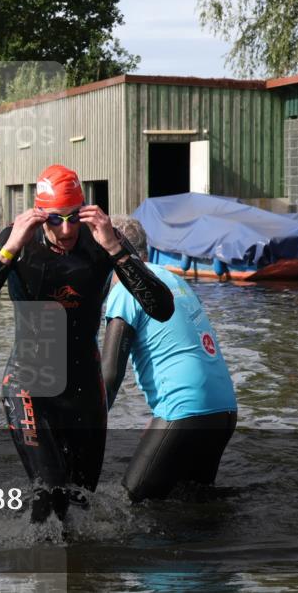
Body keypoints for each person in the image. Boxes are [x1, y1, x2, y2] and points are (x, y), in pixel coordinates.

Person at [0, 164, 174, 523]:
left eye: (74, 217)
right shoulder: (16, 240)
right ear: (40, 215)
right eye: (56, 220)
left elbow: (162, 308)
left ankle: (83, 577)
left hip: (84, 387)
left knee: (81, 502)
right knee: (50, 491)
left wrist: (115, 249)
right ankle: (40, 570)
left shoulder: (103, 238)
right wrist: (9, 251)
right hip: (29, 383)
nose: (68, 229)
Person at [102, 215, 237, 502]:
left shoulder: (127, 289)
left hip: (186, 409)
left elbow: (110, 376)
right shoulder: (175, 280)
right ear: (146, 252)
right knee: (194, 504)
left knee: (131, 502)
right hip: (224, 409)